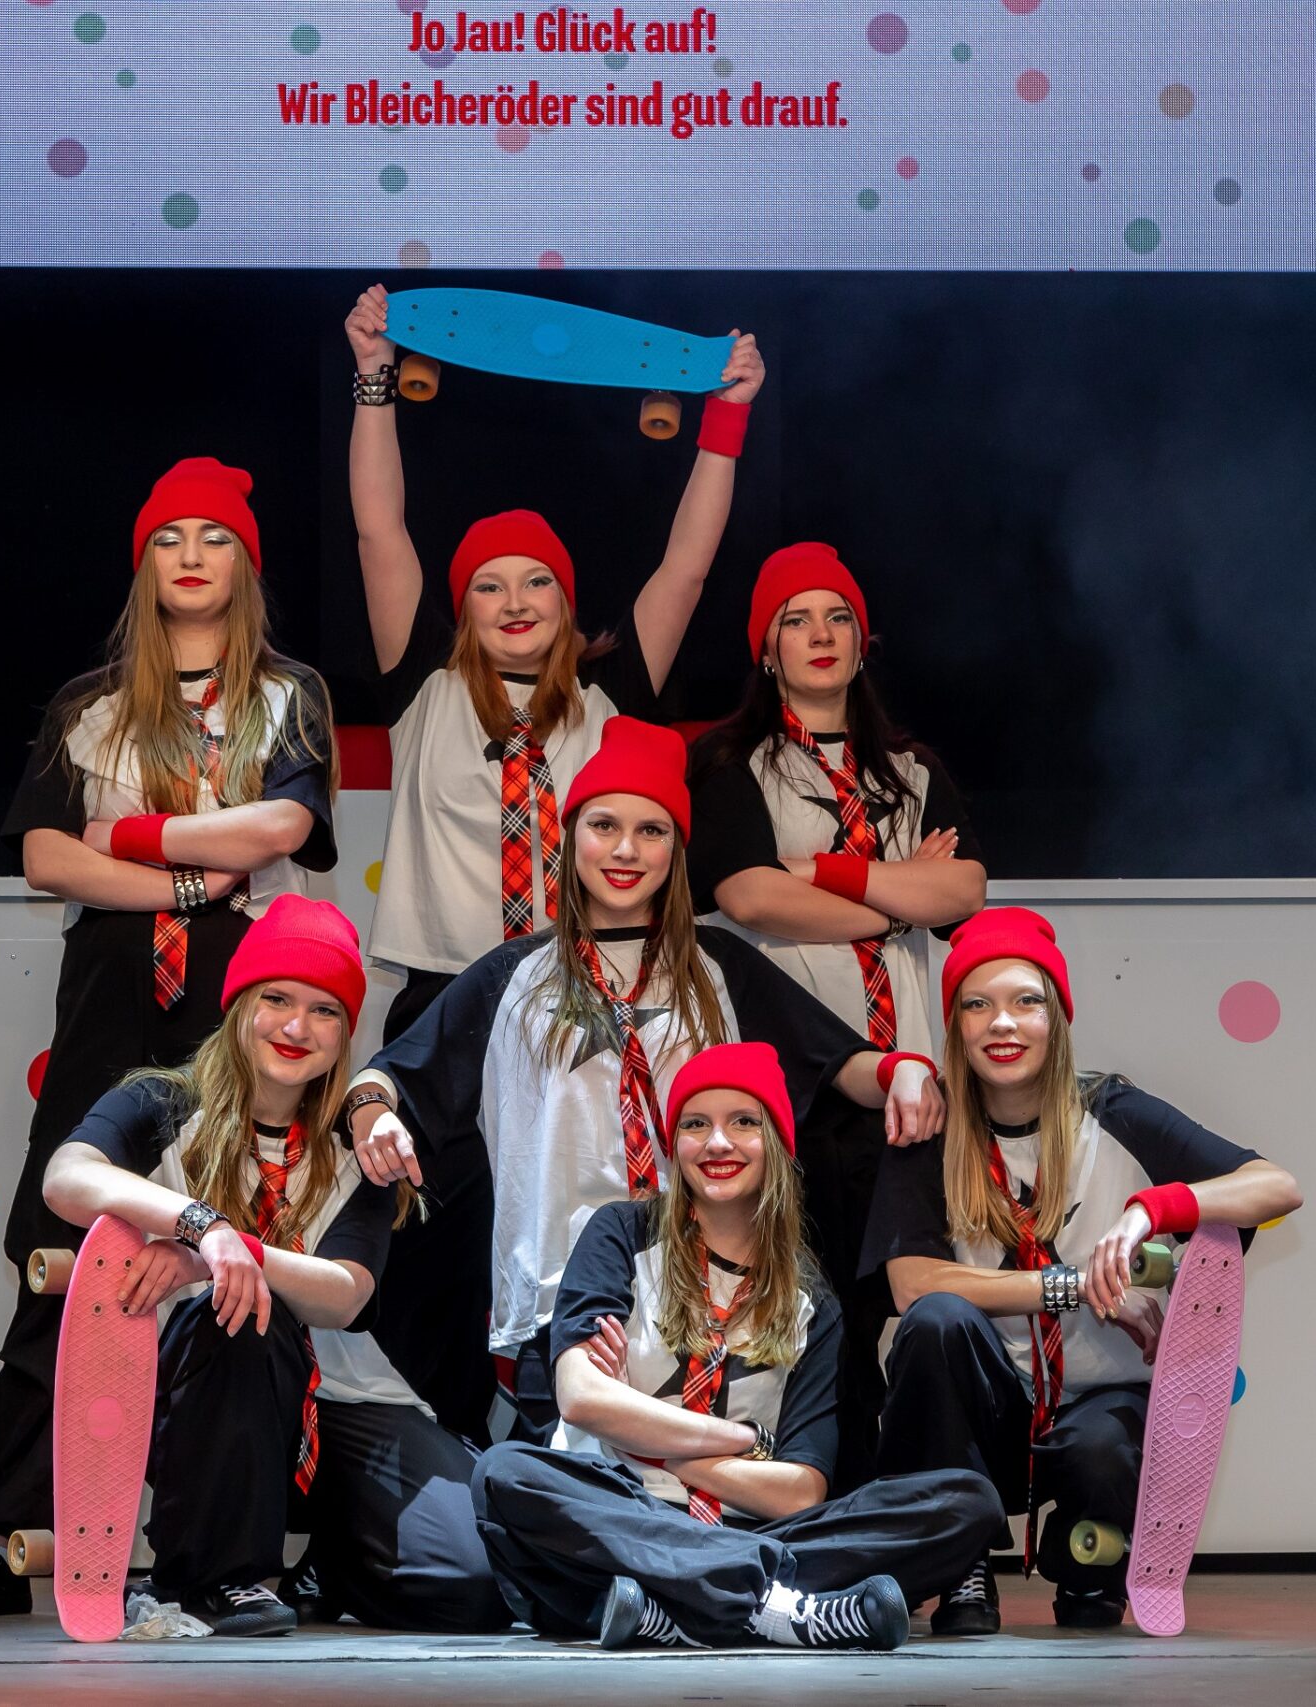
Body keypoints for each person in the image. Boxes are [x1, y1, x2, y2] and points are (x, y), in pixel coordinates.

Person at [0, 459, 338, 1619]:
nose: (191, 556)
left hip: (237, 1004)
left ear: (246, 563)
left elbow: (281, 825)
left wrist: (133, 836)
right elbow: (47, 856)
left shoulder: (287, 693)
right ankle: (1, 1541)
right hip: (111, 995)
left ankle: (216, 1552)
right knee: (63, 1259)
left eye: (215, 537)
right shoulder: (88, 703)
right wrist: (188, 883)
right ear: (143, 563)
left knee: (223, 1258)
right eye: (168, 538)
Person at [342, 285, 763, 1439]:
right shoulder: (423, 692)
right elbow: (381, 531)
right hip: (451, 997)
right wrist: (373, 376)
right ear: (462, 607)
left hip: (585, 999)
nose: (514, 601)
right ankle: (449, 1459)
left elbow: (686, 566)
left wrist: (725, 417)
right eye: (489, 584)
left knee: (588, 1243)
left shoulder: (612, 703)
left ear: (568, 605)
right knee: (426, 1256)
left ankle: (595, 1445)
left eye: (537, 583)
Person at [345, 716, 946, 1443]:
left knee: (705, 1486)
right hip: (561, 1303)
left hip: (708, 1292)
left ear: (676, 849)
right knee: (567, 1491)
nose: (626, 850)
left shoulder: (720, 965)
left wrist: (903, 1067)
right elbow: (386, 1079)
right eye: (604, 825)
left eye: (651, 830)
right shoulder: (512, 976)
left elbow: (836, 1063)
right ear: (570, 837)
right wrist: (373, 1111)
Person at [34, 896, 509, 1637]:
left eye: (324, 1010)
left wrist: (237, 1251)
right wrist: (205, 1228)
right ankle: (206, 1579)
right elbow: (65, 1177)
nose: (296, 1027)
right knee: (238, 1311)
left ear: (345, 1032)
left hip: (344, 1397)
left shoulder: (355, 1145)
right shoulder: (164, 1100)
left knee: (475, 1587)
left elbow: (345, 1295)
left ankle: (337, 1561)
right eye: (277, 999)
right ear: (239, 1006)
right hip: (197, 1391)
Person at [470, 1043, 1005, 1651]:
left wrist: (649, 1442)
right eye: (696, 1124)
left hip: (727, 1533)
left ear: (775, 1143)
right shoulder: (619, 1233)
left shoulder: (812, 1301)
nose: (717, 1143)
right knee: (507, 1474)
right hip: (622, 1507)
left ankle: (672, 1610)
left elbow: (800, 1491)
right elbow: (581, 1399)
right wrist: (746, 1440)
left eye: (743, 1122)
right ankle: (779, 1608)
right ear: (675, 1144)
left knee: (966, 1503)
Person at [864, 909, 1304, 1632]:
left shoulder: (1112, 1110)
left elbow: (1277, 1186)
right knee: (936, 1322)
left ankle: (1088, 1561)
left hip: (1096, 1409)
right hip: (986, 1415)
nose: (1002, 1023)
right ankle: (959, 1557)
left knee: (1094, 1581)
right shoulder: (932, 1129)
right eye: (977, 1005)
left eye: (1026, 1001)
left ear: (1058, 1018)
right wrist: (1072, 1286)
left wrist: (1151, 1210)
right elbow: (914, 1285)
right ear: (956, 1026)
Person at [686, 540, 987, 1482]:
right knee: (809, 1309)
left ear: (864, 642)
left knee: (910, 1307)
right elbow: (749, 897)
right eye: (796, 619)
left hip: (912, 1087)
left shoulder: (910, 768)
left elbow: (964, 891)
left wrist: (819, 870)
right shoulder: (729, 762)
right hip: (799, 1084)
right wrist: (899, 893)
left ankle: (915, 1510)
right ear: (766, 648)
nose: (820, 634)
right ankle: (815, 1503)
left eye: (839, 617)